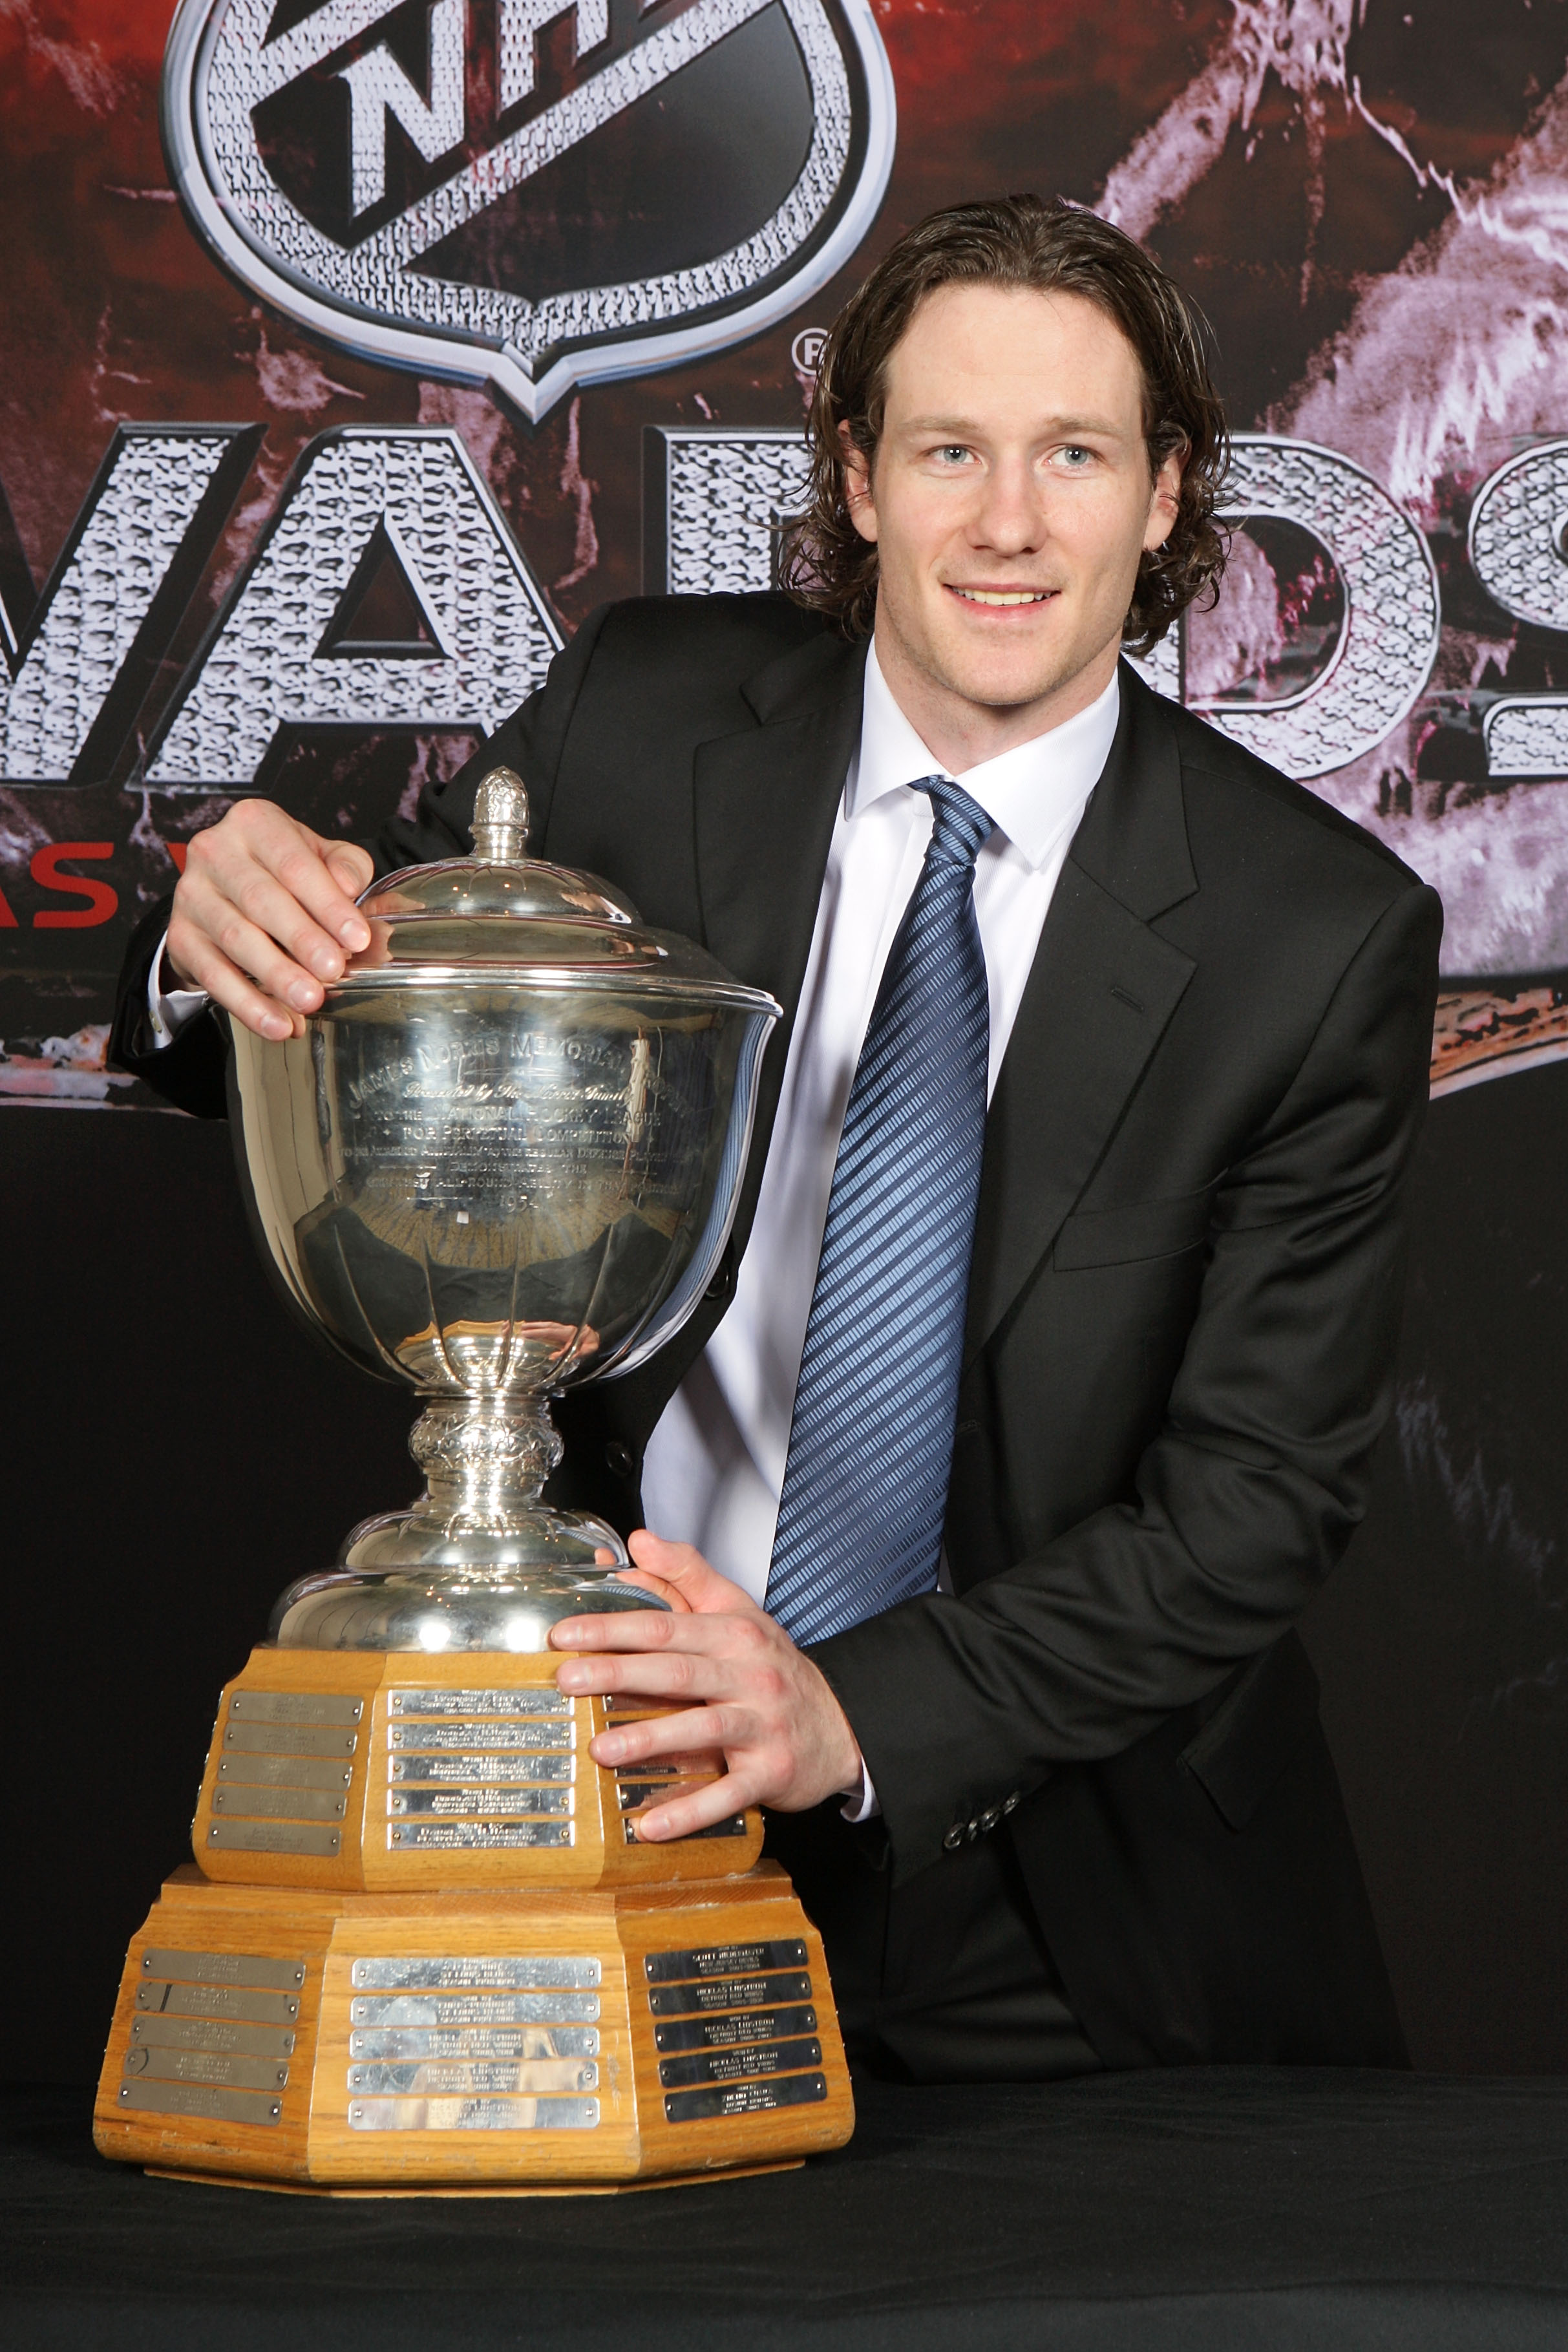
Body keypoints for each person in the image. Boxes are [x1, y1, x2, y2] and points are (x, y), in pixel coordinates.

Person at [112, 196, 1441, 2082]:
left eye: (1073, 454)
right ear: (859, 478)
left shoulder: (1314, 937)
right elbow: (371, 1027)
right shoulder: (643, 722)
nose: (1007, 520)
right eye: (948, 450)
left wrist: (845, 1711)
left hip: (1061, 1903)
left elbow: (1249, 1507)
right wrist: (214, 938)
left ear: (1162, 498)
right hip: (589, 1802)